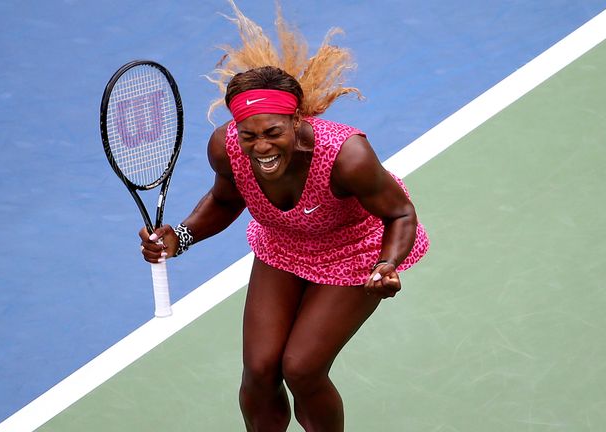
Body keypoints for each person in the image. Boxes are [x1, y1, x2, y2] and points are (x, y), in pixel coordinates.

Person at [139, 2, 429, 431]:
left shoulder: (347, 156)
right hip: (284, 245)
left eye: (273, 132)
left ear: (296, 120)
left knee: (302, 368)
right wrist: (179, 236)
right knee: (258, 371)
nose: (260, 147)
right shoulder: (226, 147)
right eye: (249, 134)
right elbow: (224, 201)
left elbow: (400, 212)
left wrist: (387, 264)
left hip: (356, 252)